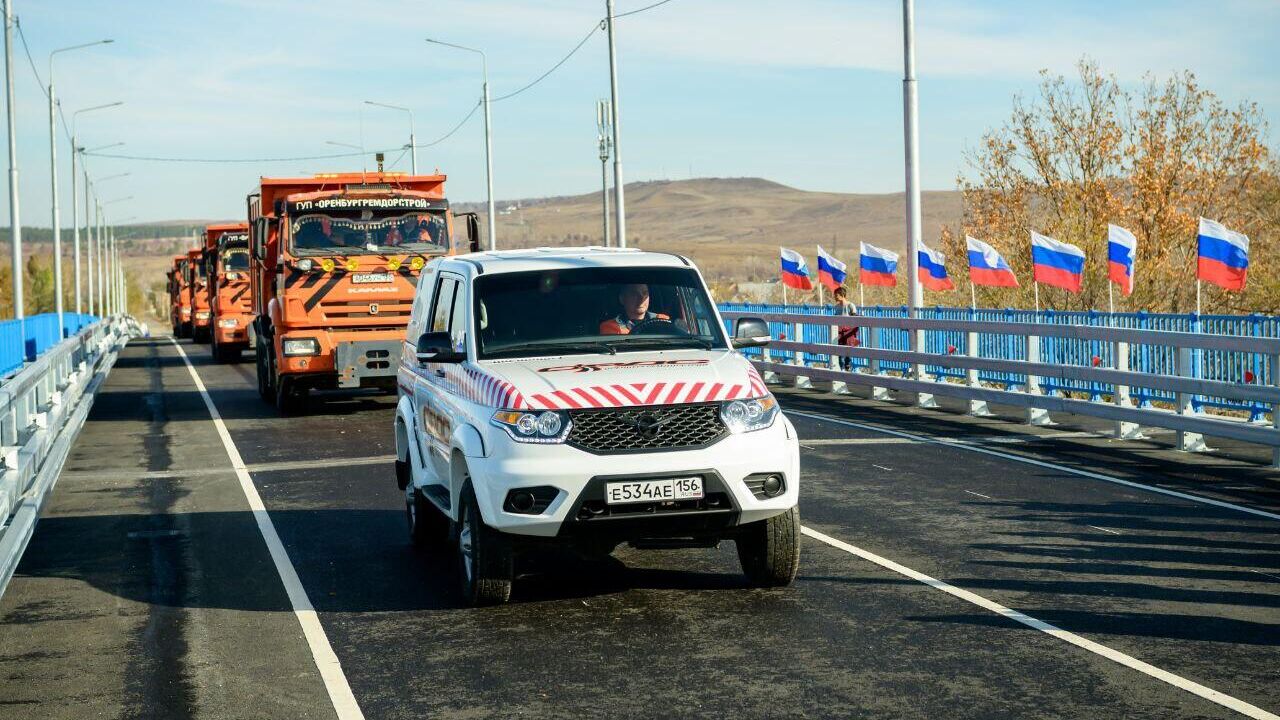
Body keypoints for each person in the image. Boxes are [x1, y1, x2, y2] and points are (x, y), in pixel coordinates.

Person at [599, 283, 669, 335]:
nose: (641, 298)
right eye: (634, 294)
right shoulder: (610, 327)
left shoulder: (662, 320)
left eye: (645, 293)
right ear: (622, 299)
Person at [833, 286, 859, 371]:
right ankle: (841, 368)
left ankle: (848, 364)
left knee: (848, 349)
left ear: (842, 295)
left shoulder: (850, 305)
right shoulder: (836, 307)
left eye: (836, 295)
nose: (835, 297)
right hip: (839, 331)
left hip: (848, 331)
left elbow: (855, 317)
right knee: (839, 350)